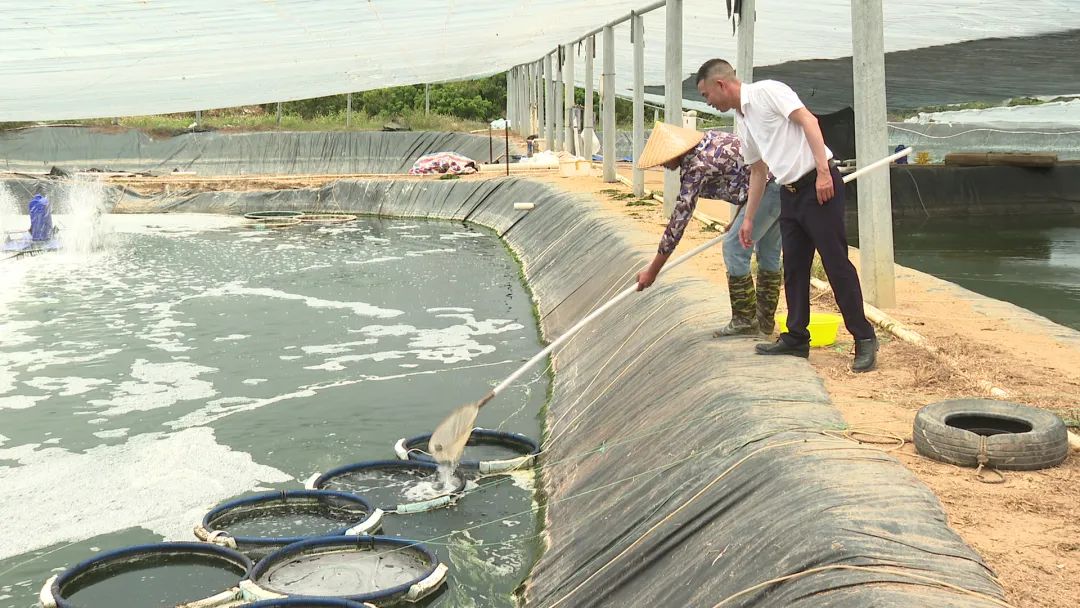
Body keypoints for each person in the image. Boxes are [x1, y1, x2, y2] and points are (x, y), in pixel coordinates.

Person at [694, 58, 878, 372]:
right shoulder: (743, 120)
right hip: (788, 193)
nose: (708, 102)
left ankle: (863, 337)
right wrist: (748, 218)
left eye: (706, 94)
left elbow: (809, 121)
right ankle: (796, 337)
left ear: (720, 84)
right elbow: (757, 170)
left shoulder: (768, 92)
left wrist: (823, 171)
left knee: (835, 263)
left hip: (818, 187)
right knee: (793, 267)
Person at [634, 121, 784, 337]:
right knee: (768, 253)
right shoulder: (711, 140)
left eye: (664, 159)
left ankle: (745, 320)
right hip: (780, 185)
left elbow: (678, 223)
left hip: (767, 192)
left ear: (675, 152)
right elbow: (744, 175)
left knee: (734, 248)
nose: (663, 165)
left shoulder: (696, 166)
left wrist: (653, 270)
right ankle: (764, 321)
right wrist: (739, 218)